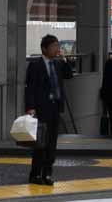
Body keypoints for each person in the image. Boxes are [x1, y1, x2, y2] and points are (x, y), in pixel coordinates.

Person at [25, 34, 72, 186]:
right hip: (41, 108)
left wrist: (65, 60)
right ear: (44, 49)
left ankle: (48, 173)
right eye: (53, 46)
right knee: (40, 143)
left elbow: (69, 75)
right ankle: (35, 174)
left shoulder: (58, 64)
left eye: (57, 46)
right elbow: (30, 88)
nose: (56, 49)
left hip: (55, 108)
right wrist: (30, 107)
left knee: (52, 143)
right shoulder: (35, 65)